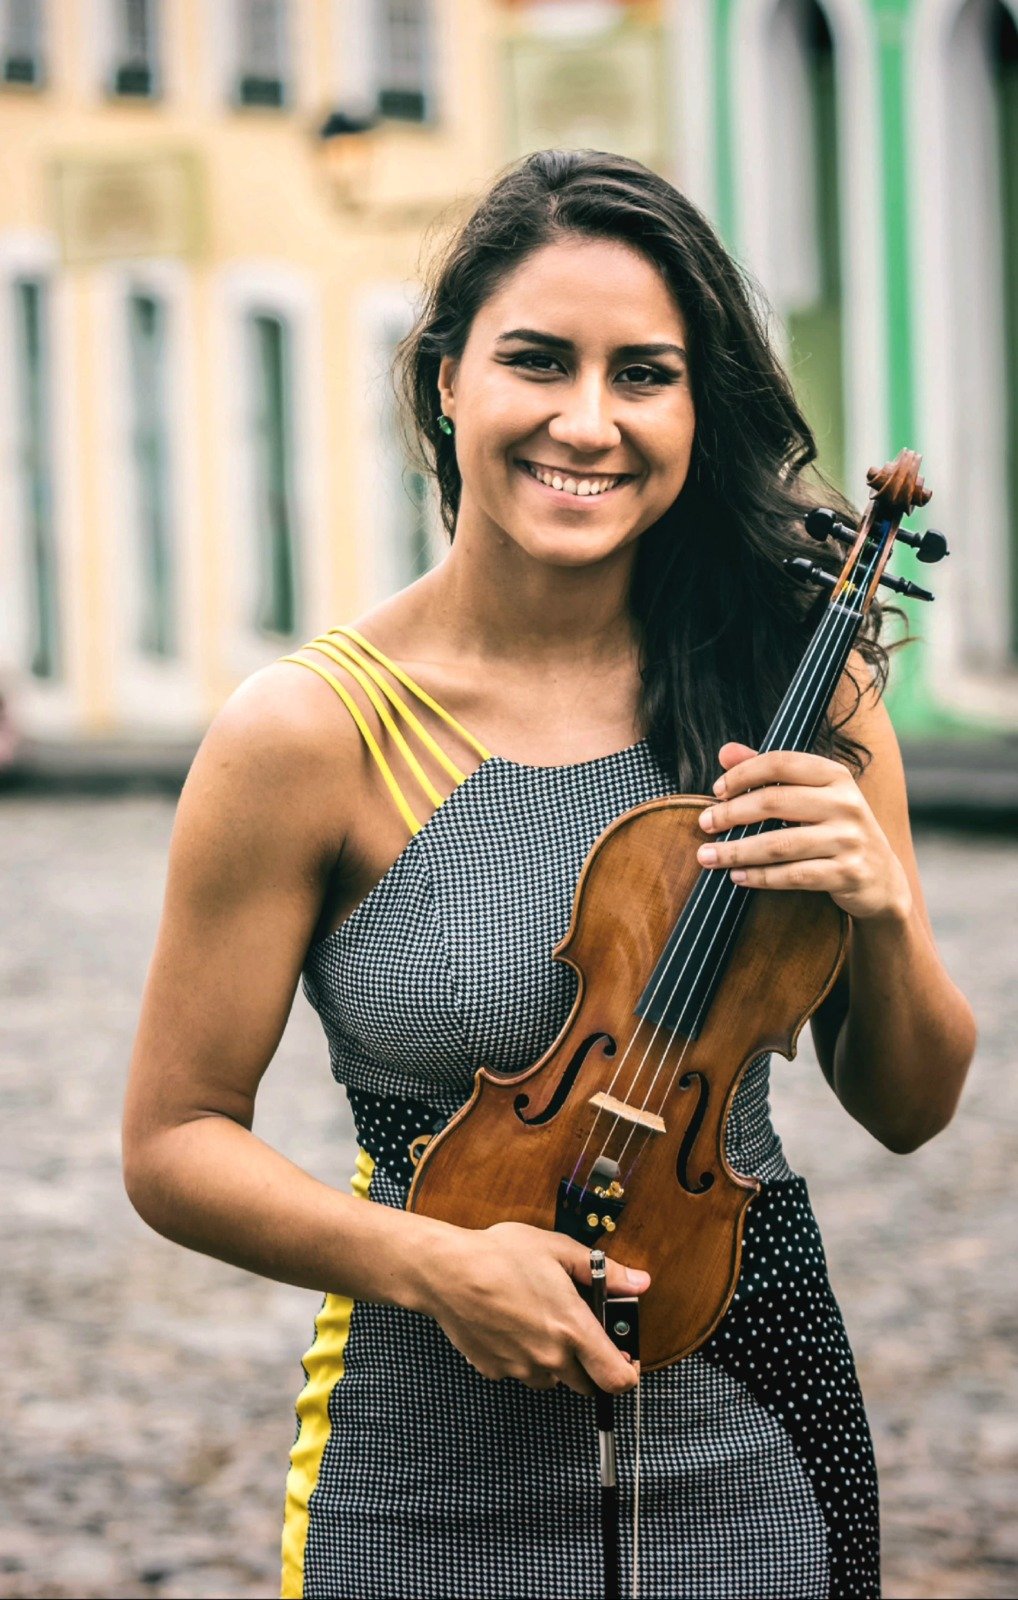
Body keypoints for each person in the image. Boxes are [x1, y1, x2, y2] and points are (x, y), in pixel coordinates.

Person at [122, 150, 976, 1600]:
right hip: (415, 1463)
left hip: (753, 1421)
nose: (588, 422)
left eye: (643, 374)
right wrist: (437, 1266)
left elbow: (905, 1107)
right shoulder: (311, 733)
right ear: (448, 379)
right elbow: (173, 1142)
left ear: (696, 413)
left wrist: (881, 916)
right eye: (538, 362)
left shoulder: (795, 692)